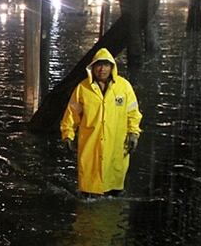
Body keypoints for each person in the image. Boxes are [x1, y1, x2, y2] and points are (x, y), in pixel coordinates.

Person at [60, 48, 142, 195]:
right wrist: (68, 135)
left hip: (116, 147)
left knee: (114, 190)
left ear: (112, 67)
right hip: (90, 147)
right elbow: (71, 115)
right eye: (99, 65)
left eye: (106, 65)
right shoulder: (82, 89)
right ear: (93, 67)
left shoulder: (124, 88)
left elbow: (133, 114)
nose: (102, 69)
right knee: (88, 192)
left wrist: (133, 133)